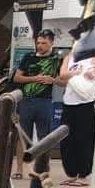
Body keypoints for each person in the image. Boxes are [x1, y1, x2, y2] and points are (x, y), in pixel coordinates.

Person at [13, 31, 61, 173]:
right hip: (27, 100)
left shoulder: (57, 59)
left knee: (44, 136)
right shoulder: (29, 57)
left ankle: (42, 167)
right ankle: (19, 168)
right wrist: (34, 78)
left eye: (43, 43)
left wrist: (53, 80)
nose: (40, 46)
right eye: (38, 43)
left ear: (51, 43)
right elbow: (17, 78)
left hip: (45, 101)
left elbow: (64, 81)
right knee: (22, 135)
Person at [57, 40, 95, 186]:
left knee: (85, 139)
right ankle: (71, 172)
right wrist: (74, 73)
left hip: (85, 103)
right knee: (67, 140)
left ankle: (83, 174)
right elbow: (62, 75)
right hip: (69, 103)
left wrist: (93, 74)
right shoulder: (69, 58)